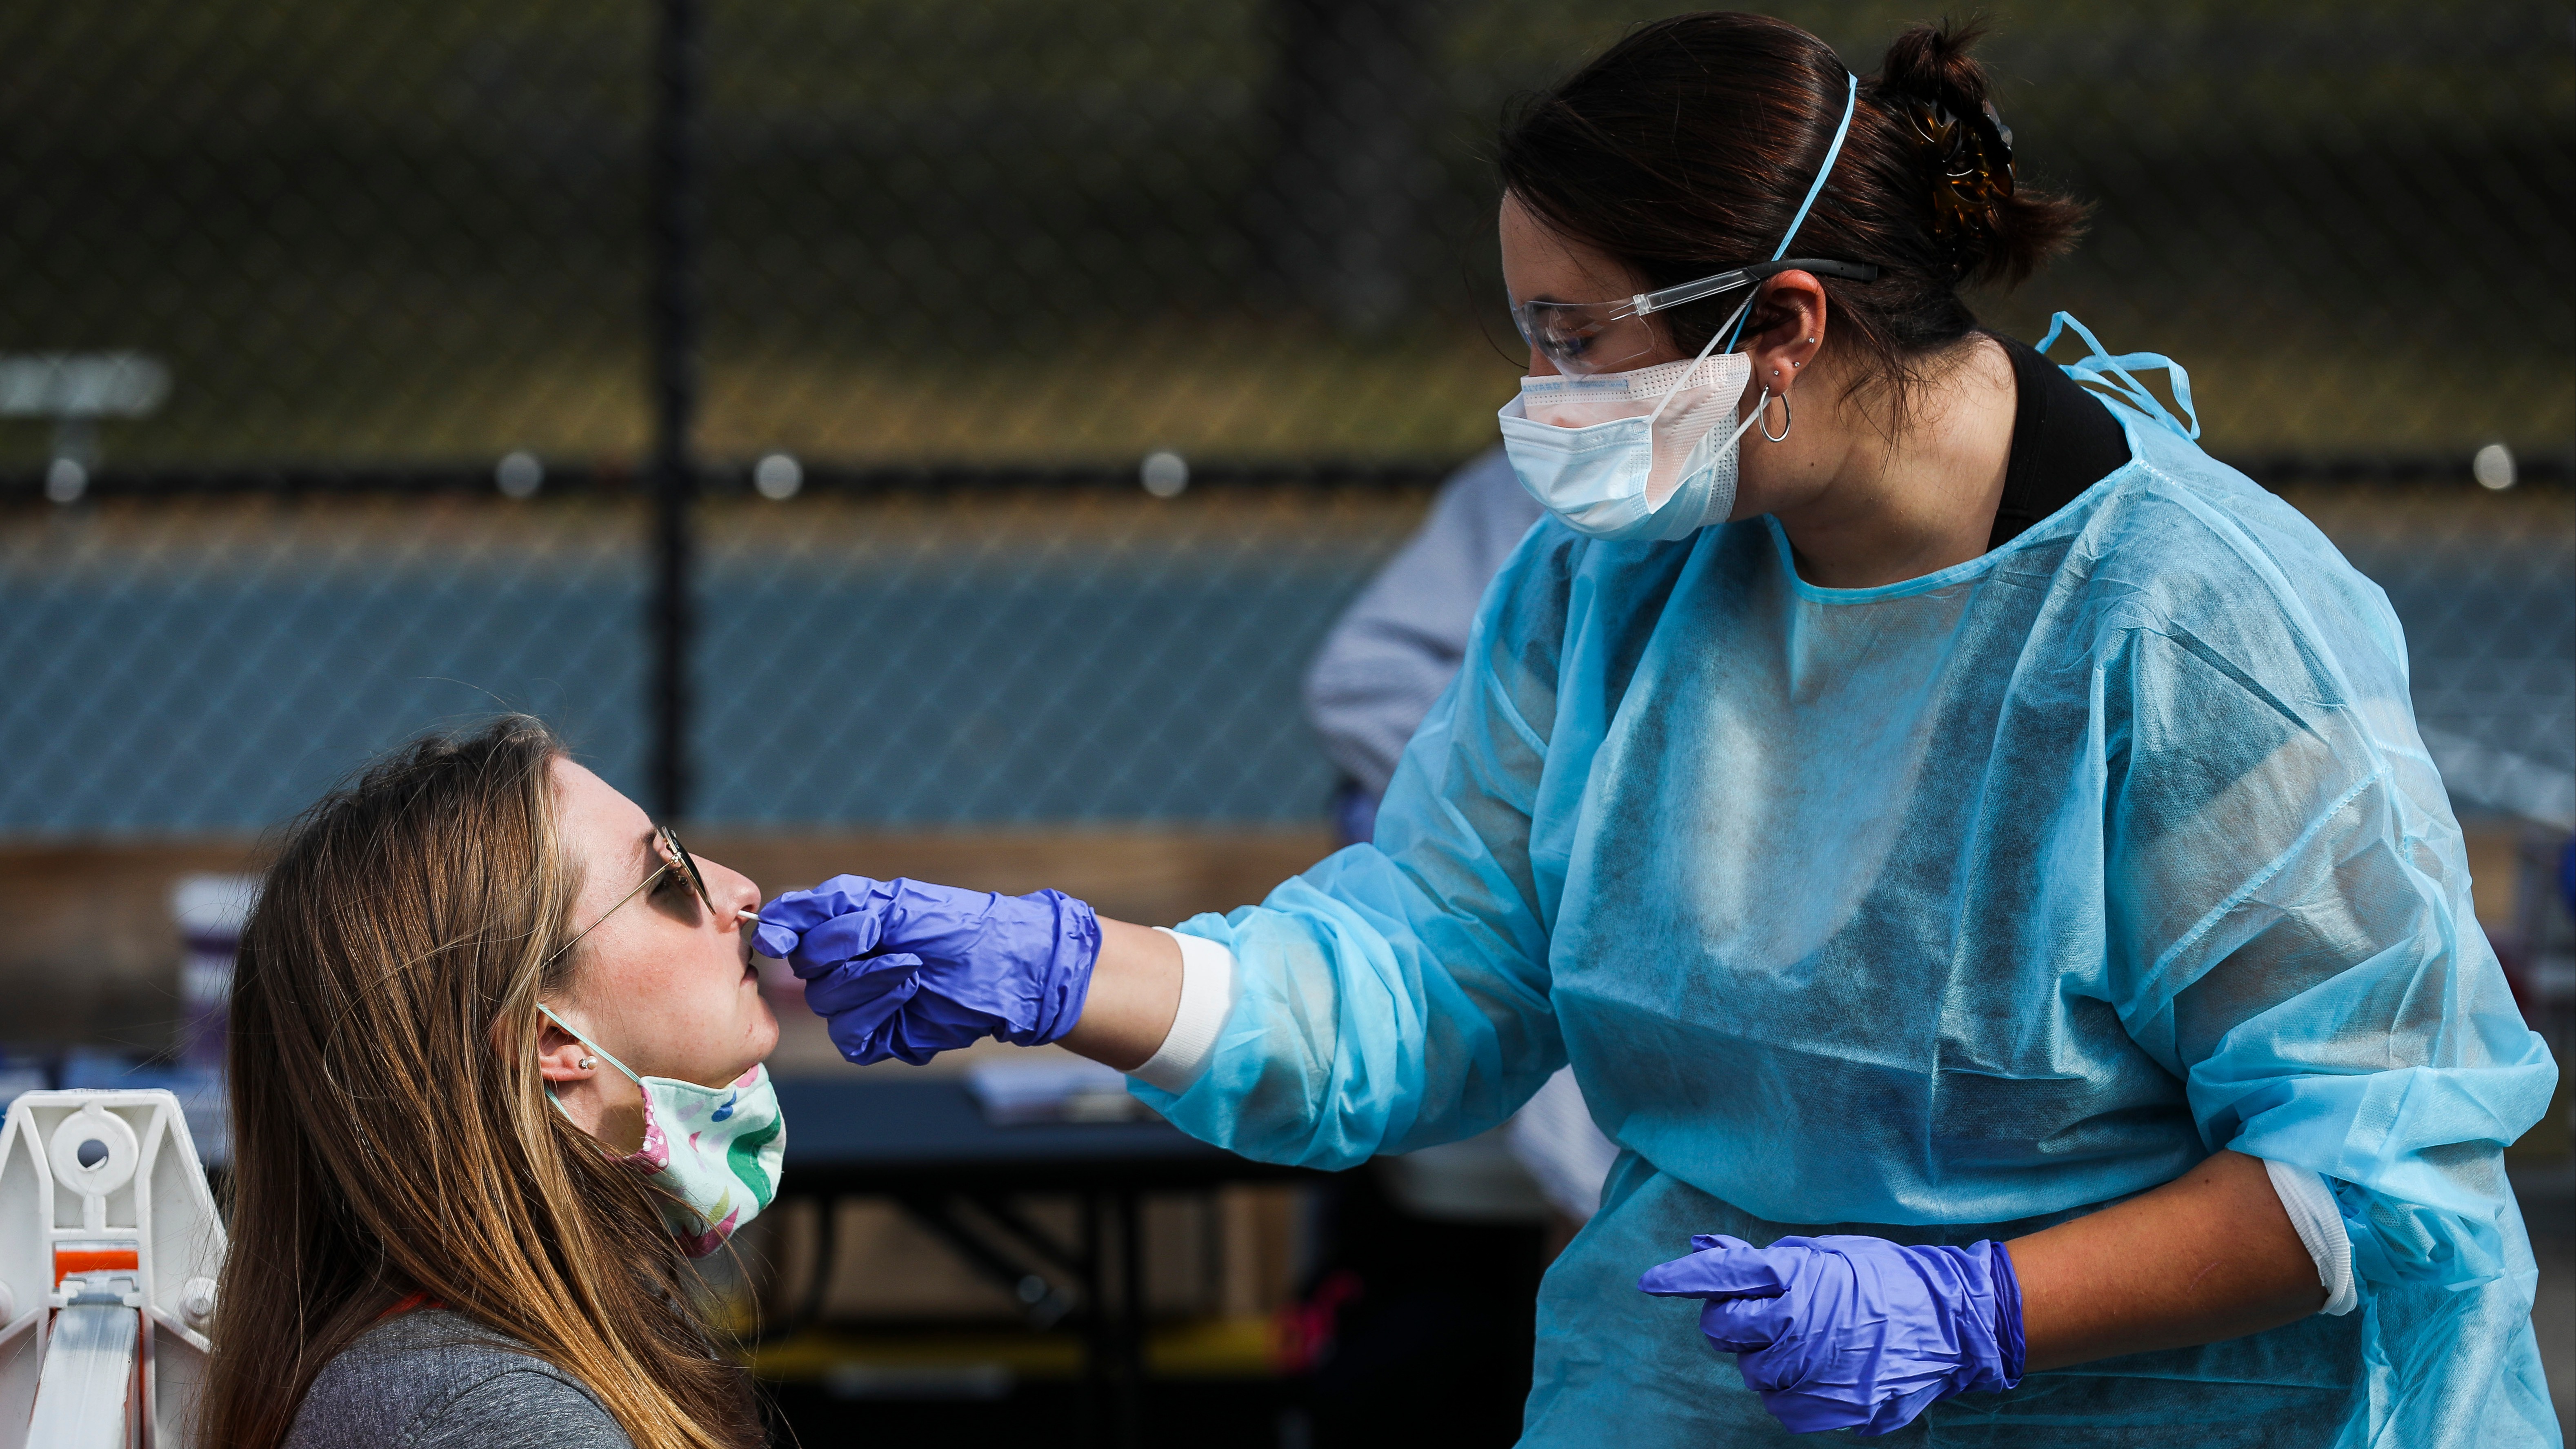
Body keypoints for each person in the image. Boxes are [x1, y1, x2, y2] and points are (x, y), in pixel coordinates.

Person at [753, 16, 2558, 1446]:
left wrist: (1984, 1306)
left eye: (1574, 336)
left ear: (1782, 324)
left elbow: (2372, 1164)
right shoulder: (1611, 586)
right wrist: (1074, 969)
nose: (1538, 400)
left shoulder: (2193, 628)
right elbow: (1428, 970)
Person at [205, 717, 783, 1449]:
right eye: (668, 882)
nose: (740, 890)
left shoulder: (495, 1353)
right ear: (553, 1039)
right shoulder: (491, 1415)